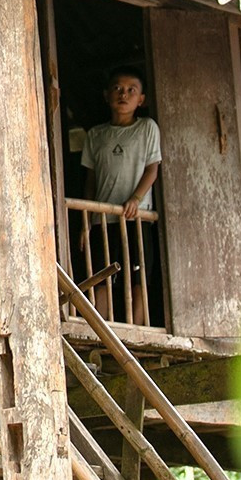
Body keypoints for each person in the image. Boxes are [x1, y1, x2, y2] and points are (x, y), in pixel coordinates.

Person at [78, 68, 163, 324]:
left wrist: (135, 199)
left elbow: (152, 169)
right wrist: (86, 222)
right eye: (117, 89)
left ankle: (136, 328)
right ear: (106, 96)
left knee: (137, 277)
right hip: (103, 221)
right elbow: (90, 182)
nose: (123, 94)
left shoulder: (147, 128)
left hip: (135, 218)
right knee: (102, 277)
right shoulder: (96, 135)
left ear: (141, 99)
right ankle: (101, 327)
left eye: (131, 90)